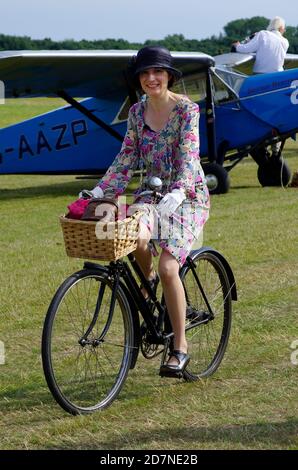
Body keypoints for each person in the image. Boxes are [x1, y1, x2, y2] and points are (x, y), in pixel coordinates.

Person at [80, 46, 210, 377]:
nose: (151, 78)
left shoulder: (186, 111)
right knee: (132, 238)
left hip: (188, 195)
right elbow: (126, 157)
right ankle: (149, 281)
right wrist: (101, 190)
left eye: (158, 72)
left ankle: (179, 347)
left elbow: (188, 154)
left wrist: (180, 190)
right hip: (151, 194)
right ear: (139, 79)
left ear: (169, 76)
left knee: (170, 267)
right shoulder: (138, 113)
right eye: (144, 73)